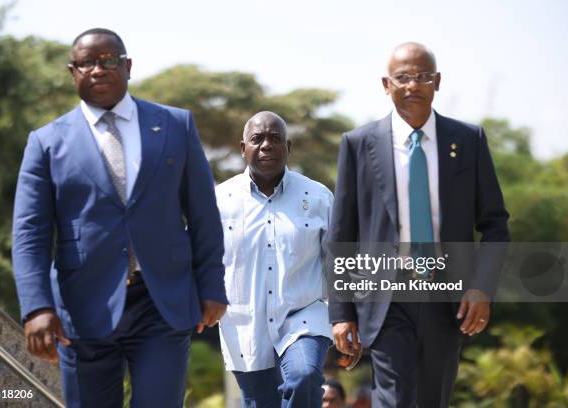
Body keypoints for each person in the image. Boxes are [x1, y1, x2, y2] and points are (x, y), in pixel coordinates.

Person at [12, 28, 227, 408]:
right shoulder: (45, 142)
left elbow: (203, 214)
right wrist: (37, 308)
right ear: (72, 72)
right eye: (86, 63)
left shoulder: (176, 126)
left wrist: (211, 286)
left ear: (127, 66)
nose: (98, 69)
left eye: (109, 60)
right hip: (81, 306)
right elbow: (30, 232)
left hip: (162, 301)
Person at [328, 42, 509, 407]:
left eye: (423, 77)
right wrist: (341, 312)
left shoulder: (468, 140)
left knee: (432, 398)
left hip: (447, 296)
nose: (414, 85)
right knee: (395, 398)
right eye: (403, 77)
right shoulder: (358, 144)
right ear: (386, 84)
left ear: (437, 82)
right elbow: (341, 235)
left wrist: (481, 288)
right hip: (385, 296)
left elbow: (495, 224)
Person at [216, 111, 333, 407]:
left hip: (304, 316)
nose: (266, 145)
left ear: (288, 148)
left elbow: (341, 266)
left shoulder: (318, 197)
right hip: (245, 326)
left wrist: (349, 320)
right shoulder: (218, 200)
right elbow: (197, 259)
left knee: (304, 376)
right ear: (243, 149)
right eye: (257, 139)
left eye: (275, 139)